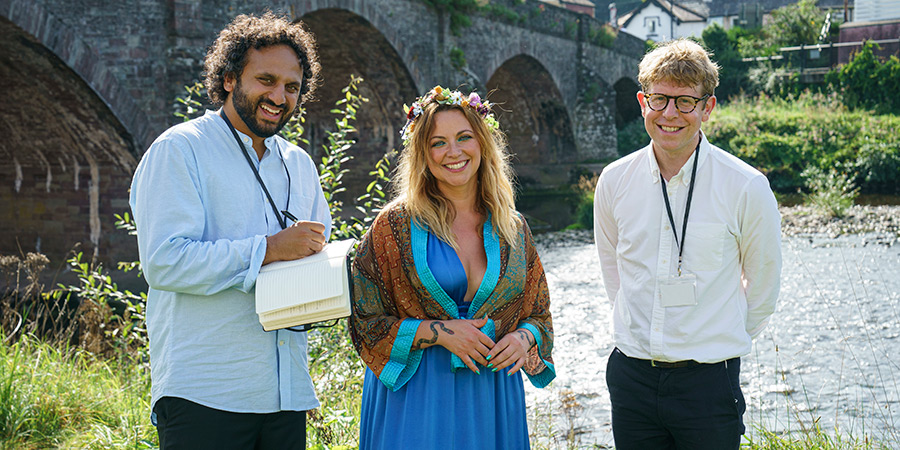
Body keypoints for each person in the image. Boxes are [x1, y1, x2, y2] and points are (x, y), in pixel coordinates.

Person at [129, 12, 331, 449]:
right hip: (206, 392)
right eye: (266, 80)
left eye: (292, 87)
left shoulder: (299, 164)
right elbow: (165, 262)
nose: (279, 96)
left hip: (287, 394)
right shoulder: (179, 149)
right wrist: (269, 250)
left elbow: (316, 265)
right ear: (228, 79)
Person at [593, 39, 782, 449]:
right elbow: (614, 271)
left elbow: (764, 286)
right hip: (632, 378)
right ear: (643, 101)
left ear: (707, 108)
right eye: (660, 100)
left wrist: (716, 335)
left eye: (685, 102)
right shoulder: (613, 180)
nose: (670, 114)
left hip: (708, 381)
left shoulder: (746, 186)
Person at [349, 86, 555, 449]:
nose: (453, 152)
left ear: (482, 144)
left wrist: (524, 339)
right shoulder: (393, 226)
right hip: (417, 396)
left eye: (464, 137)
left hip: (491, 392)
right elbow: (364, 320)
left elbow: (537, 313)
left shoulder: (513, 226)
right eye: (437, 142)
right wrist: (441, 333)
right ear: (423, 155)